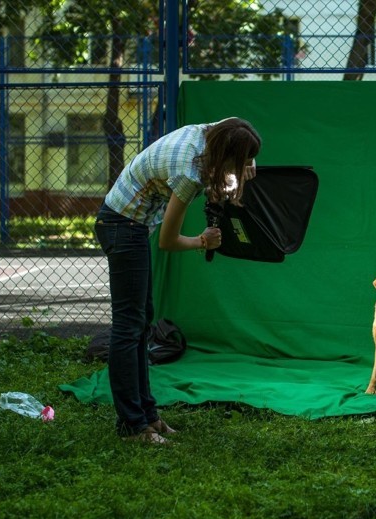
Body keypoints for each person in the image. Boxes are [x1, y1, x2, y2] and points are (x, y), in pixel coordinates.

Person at [94, 117, 262, 444]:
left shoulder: (212, 133)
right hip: (122, 226)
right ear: (225, 154)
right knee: (129, 327)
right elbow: (168, 241)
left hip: (133, 226)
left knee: (141, 323)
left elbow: (233, 141)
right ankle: (132, 426)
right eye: (240, 162)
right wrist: (201, 241)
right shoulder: (187, 168)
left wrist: (243, 166)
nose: (244, 168)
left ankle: (148, 417)